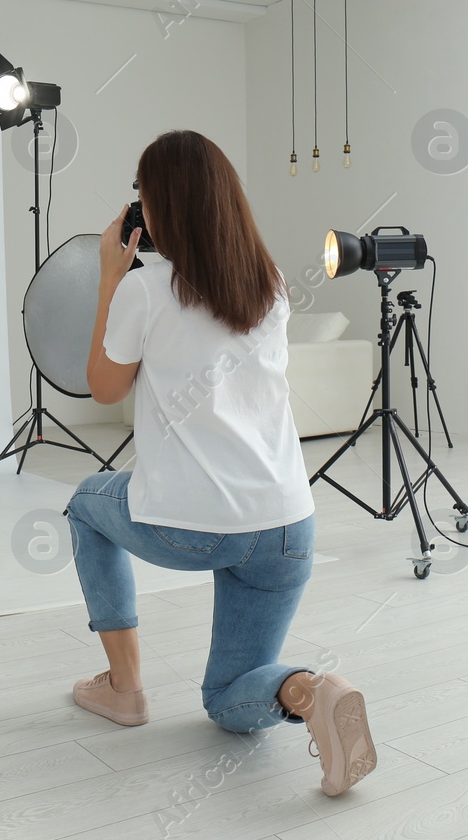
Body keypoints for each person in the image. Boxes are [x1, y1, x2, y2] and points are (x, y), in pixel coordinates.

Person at [65, 130, 376, 797]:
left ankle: (124, 688)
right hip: (289, 525)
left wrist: (108, 276)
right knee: (233, 699)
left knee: (87, 503)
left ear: (159, 211)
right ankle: (310, 689)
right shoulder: (269, 285)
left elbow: (103, 387)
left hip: (192, 525)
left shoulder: (145, 290)